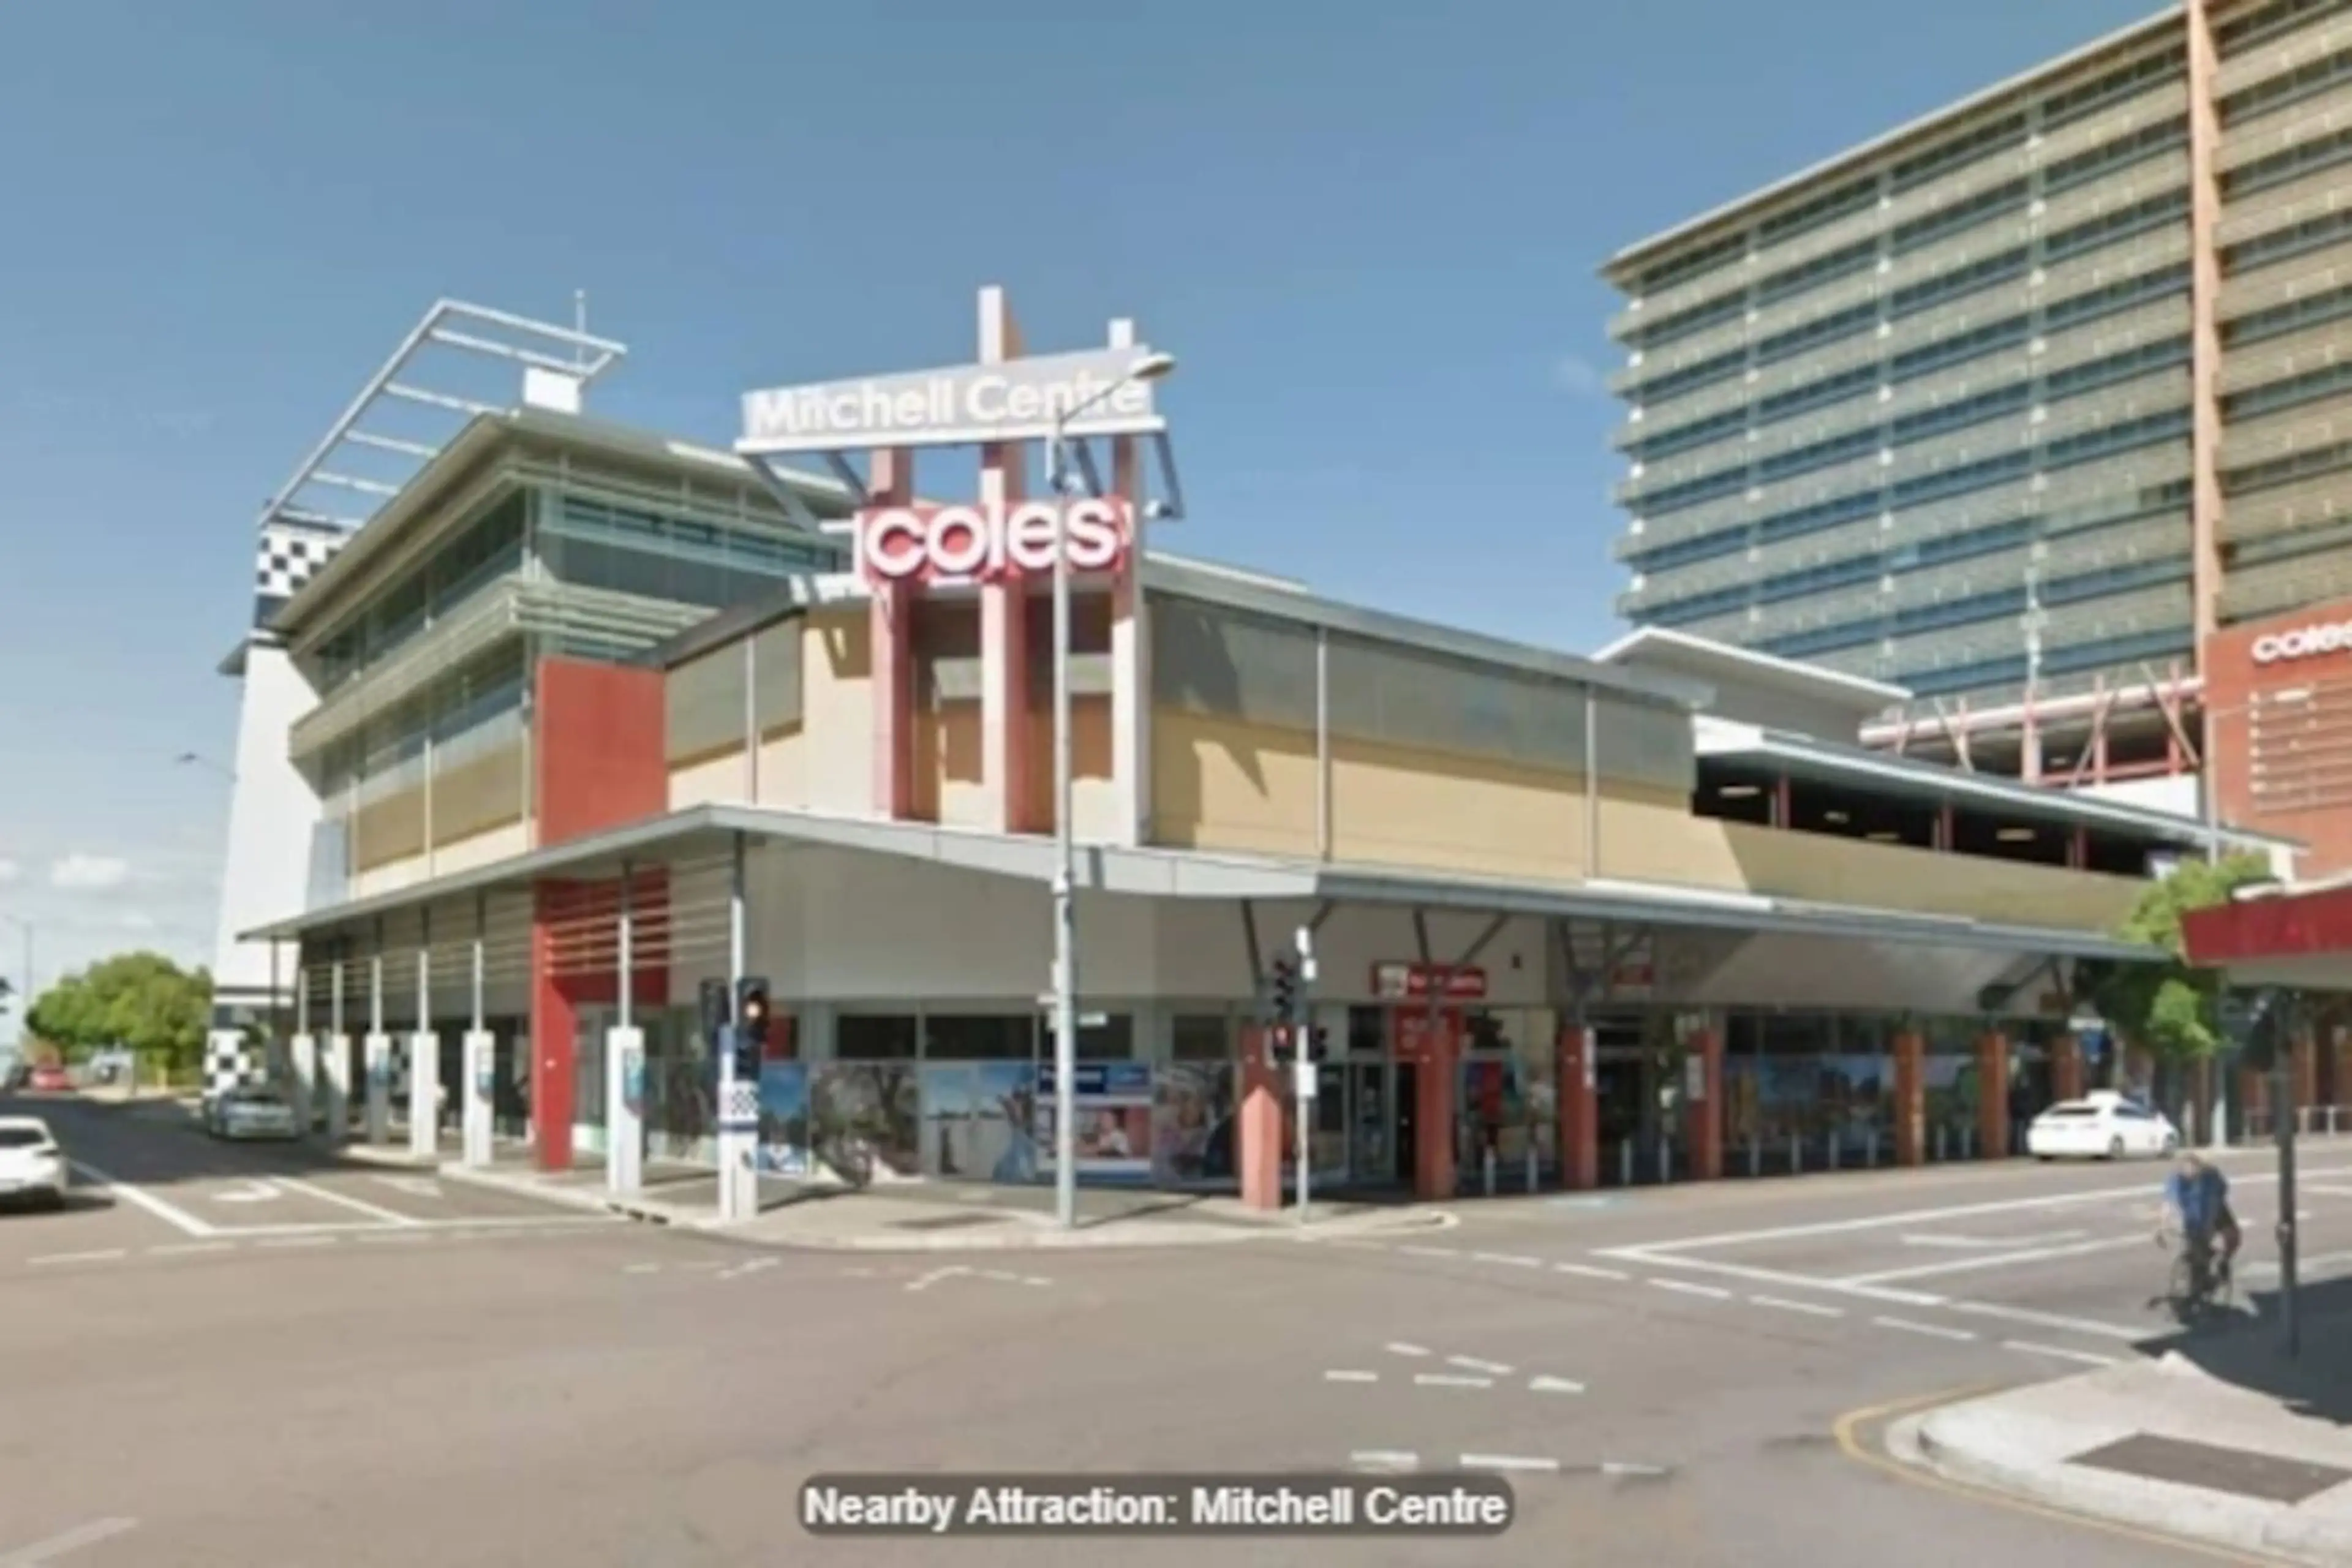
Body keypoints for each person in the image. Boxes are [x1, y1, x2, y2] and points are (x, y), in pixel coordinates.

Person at [2162, 1150, 2239, 1284]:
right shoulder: (2177, 1179)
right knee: (2197, 1248)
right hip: (2193, 1215)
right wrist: (2163, 1226)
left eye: (2193, 1173)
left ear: (2200, 1168)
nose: (2189, 1177)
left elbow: (2217, 1199)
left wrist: (2210, 1227)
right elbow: (2168, 1204)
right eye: (2186, 1174)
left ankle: (2224, 1261)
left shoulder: (2211, 1177)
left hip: (2216, 1208)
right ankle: (2198, 1278)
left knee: (2233, 1237)